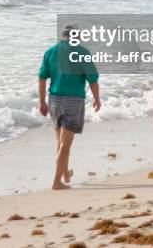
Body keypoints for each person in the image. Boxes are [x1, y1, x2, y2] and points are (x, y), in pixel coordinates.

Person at [38, 25, 101, 190]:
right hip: (73, 100)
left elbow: (42, 77)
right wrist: (97, 99)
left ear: (63, 36)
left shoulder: (51, 51)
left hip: (54, 100)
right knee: (66, 143)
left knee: (59, 142)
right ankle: (56, 182)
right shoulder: (82, 53)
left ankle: (65, 174)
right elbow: (92, 79)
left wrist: (41, 101)